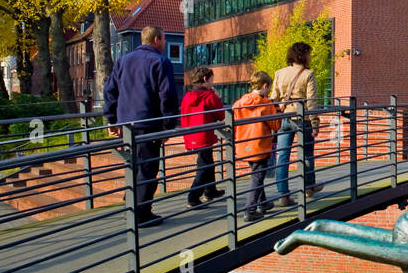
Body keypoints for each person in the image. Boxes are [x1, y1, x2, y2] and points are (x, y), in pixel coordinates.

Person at [102, 24, 180, 228]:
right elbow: (168, 95)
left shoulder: (123, 61)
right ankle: (141, 214)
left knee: (133, 165)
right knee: (147, 168)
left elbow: (110, 91)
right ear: (156, 40)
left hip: (126, 124)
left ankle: (132, 205)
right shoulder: (161, 62)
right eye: (164, 39)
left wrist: (112, 119)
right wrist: (168, 125)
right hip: (148, 124)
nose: (164, 43)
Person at [271, 42, 319, 206]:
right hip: (302, 119)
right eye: (309, 54)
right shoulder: (308, 74)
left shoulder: (279, 73)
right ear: (303, 55)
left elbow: (275, 98)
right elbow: (312, 101)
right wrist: (315, 123)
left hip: (285, 118)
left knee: (282, 157)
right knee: (306, 153)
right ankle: (308, 187)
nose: (310, 57)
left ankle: (283, 194)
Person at [233, 71, 281, 222]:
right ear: (265, 86)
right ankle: (250, 210)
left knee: (256, 174)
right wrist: (278, 110)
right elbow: (276, 125)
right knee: (257, 177)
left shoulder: (239, 103)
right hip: (259, 145)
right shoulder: (266, 104)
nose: (269, 92)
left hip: (244, 144)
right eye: (269, 88)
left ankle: (264, 203)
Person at [180, 66, 226, 207]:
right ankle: (193, 196)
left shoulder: (187, 96)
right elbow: (221, 114)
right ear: (206, 79)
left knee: (207, 161)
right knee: (204, 165)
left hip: (191, 134)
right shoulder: (210, 96)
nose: (213, 82)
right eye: (212, 79)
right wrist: (217, 97)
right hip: (205, 135)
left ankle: (210, 190)